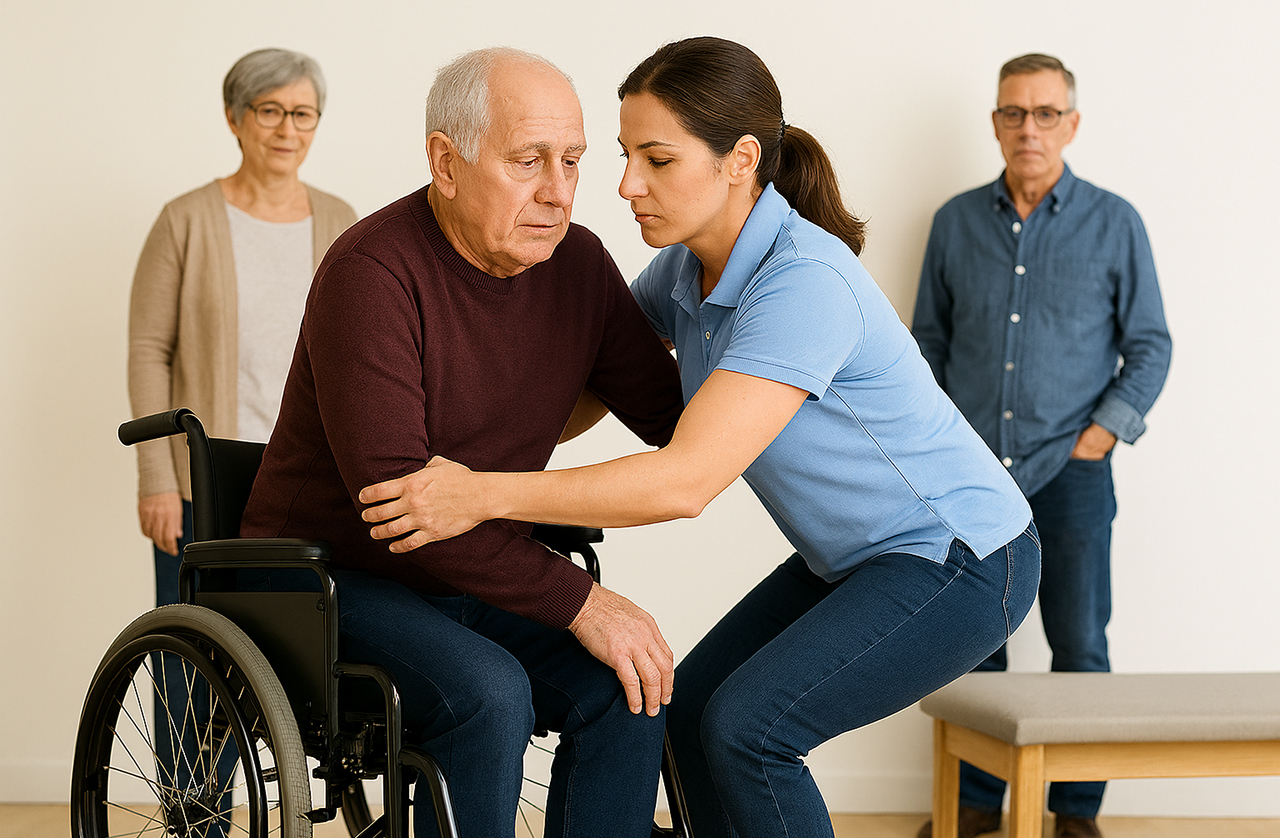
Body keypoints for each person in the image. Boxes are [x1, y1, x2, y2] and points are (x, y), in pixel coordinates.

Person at [356, 37, 1041, 838]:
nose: (623, 185)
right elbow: (586, 384)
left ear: (739, 160)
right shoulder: (685, 274)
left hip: (960, 555)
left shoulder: (803, 283)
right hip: (854, 560)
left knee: (751, 732)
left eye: (656, 160)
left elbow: (683, 481)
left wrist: (480, 492)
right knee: (684, 710)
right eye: (622, 156)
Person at [240, 47, 685, 838]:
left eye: (573, 161)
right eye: (528, 161)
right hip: (329, 577)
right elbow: (398, 504)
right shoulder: (371, 273)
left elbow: (677, 417)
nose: (558, 192)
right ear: (447, 163)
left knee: (630, 678)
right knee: (490, 693)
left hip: (471, 569)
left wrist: (755, 298)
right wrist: (580, 600)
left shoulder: (576, 264)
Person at [911, 54, 1172, 838]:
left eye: (1046, 113)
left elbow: (1151, 345)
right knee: (972, 646)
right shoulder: (954, 222)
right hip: (972, 478)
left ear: (1072, 123)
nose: (1030, 128)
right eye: (1015, 112)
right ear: (995, 122)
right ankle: (980, 811)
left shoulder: (1115, 222)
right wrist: (938, 445)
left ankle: (1074, 817)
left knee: (1080, 648)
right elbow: (928, 341)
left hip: (1074, 474)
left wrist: (1099, 437)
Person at [126, 47, 355, 829]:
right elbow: (147, 349)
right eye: (270, 111)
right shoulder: (186, 219)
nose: (288, 129)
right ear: (235, 118)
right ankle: (199, 822)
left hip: (310, 485)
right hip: (206, 486)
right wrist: (157, 476)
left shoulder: (341, 222)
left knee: (314, 657)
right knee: (192, 671)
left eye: (303, 114)